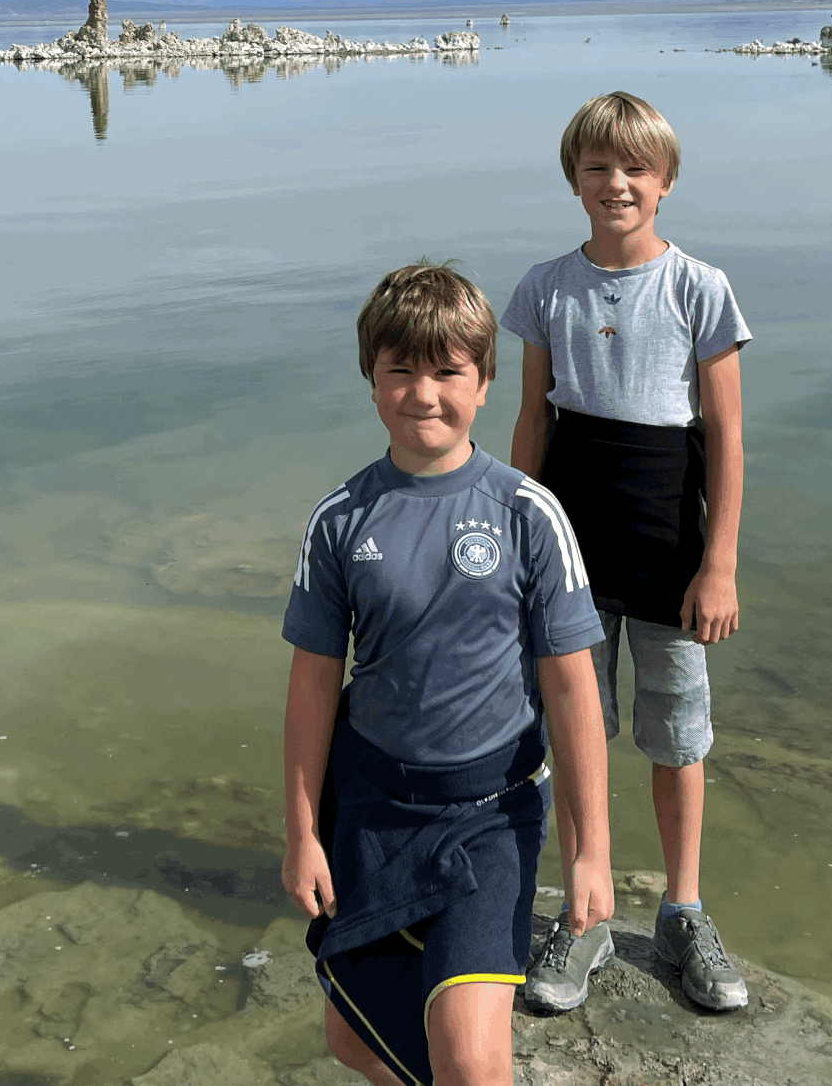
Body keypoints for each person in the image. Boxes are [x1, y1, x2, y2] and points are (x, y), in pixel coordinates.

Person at [281, 263, 612, 1086]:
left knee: (468, 1056)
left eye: (447, 371)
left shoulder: (528, 512)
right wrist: (299, 833)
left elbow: (573, 690)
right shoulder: (341, 519)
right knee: (352, 1035)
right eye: (400, 368)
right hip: (371, 809)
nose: (422, 393)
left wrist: (591, 850)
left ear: (486, 380)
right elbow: (313, 686)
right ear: (371, 380)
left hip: (489, 814)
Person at [501, 91, 750, 1014]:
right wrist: (522, 541)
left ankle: (683, 908)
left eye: (635, 168)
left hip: (670, 557)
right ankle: (588, 906)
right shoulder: (544, 287)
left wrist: (717, 563)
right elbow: (532, 419)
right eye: (598, 167)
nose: (617, 183)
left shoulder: (700, 288)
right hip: (568, 551)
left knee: (677, 734)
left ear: (666, 182)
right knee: (575, 731)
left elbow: (723, 439)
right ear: (574, 179)